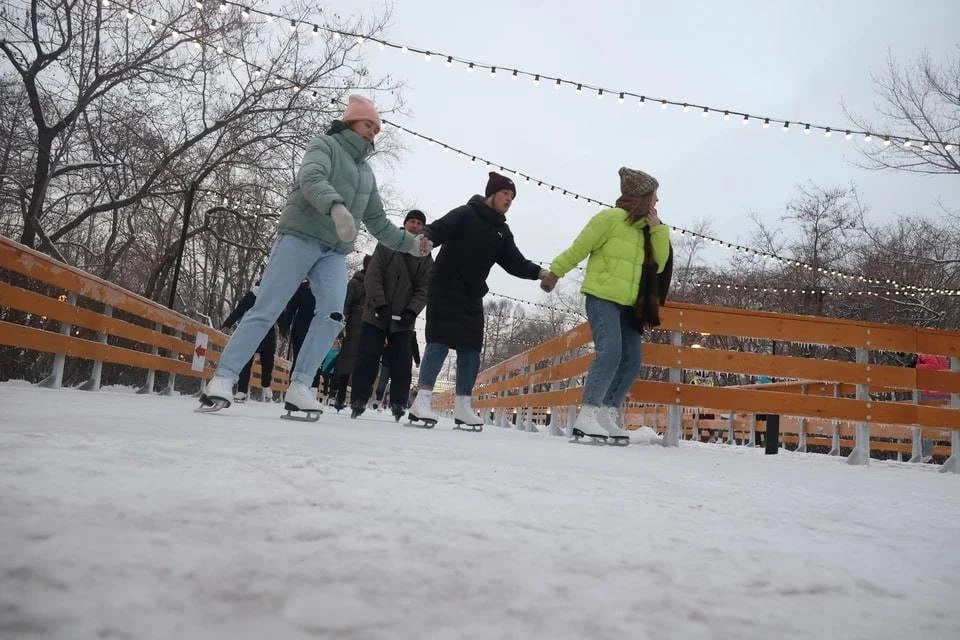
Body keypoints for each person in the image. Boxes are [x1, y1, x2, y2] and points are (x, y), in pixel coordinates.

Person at [198, 95, 432, 414]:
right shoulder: (325, 145)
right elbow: (311, 178)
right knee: (267, 306)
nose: (371, 134)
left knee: (334, 314)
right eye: (367, 125)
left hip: (334, 252)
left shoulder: (366, 175)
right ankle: (224, 378)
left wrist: (411, 244)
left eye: (376, 130)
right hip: (300, 235)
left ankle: (300, 385)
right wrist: (335, 206)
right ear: (350, 122)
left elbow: (378, 222)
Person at [408, 172, 549, 427]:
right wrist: (424, 238)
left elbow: (514, 261)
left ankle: (463, 405)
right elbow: (439, 228)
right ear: (492, 194)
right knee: (439, 341)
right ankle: (422, 400)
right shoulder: (466, 213)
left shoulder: (501, 232)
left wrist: (539, 273)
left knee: (471, 348)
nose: (509, 199)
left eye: (512, 196)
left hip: (472, 294)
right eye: (505, 194)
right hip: (445, 286)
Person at [540, 167, 671, 440]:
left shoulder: (647, 231)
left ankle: (606, 413)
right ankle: (586, 415)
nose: (657, 202)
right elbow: (580, 247)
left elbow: (658, 265)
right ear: (641, 197)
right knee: (610, 352)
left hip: (630, 306)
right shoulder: (609, 219)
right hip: (602, 299)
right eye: (654, 196)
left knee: (632, 360)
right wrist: (555, 273)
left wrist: (658, 230)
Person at [350, 210, 433, 421]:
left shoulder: (424, 254)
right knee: (367, 356)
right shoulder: (388, 242)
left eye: (419, 223)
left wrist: (411, 310)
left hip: (403, 319)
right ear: (405, 224)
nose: (415, 225)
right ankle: (359, 398)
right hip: (377, 313)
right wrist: (380, 304)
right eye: (412, 221)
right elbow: (374, 274)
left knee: (402, 362)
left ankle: (398, 402)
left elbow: (425, 286)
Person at [221, 280, 276, 402]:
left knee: (268, 362)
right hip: (252, 332)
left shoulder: (272, 296)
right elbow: (239, 311)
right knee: (246, 362)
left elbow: (280, 313)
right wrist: (228, 324)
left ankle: (266, 384)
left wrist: (284, 326)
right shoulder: (250, 296)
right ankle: (241, 390)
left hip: (267, 333)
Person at [335, 255, 372, 412]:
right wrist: (341, 325)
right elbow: (346, 304)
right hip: (355, 325)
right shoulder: (356, 283)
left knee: (356, 362)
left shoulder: (371, 282)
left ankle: (348, 397)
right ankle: (342, 396)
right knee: (350, 362)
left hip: (364, 326)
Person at [279, 278, 323, 391]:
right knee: (299, 360)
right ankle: (292, 390)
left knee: (315, 363)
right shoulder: (304, 288)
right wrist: (285, 325)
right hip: (300, 330)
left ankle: (311, 392)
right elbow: (291, 307)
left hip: (317, 332)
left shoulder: (326, 289)